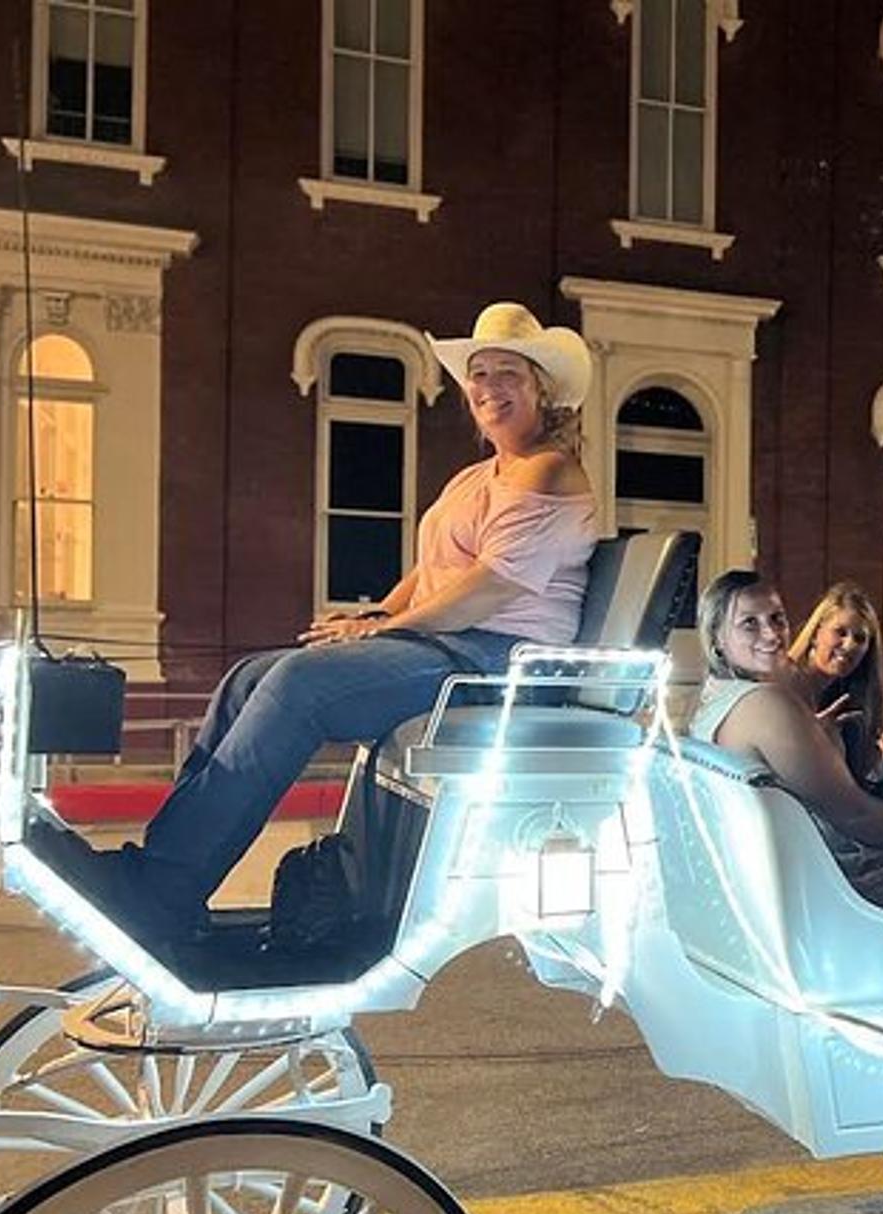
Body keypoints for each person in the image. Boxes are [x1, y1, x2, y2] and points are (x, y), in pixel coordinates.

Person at [32, 302, 601, 945]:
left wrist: (387, 631)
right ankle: (162, 879)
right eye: (480, 374)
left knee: (297, 686)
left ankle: (161, 891)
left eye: (509, 374)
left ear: (543, 391)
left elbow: (489, 588)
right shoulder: (477, 477)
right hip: (451, 644)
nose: (490, 388)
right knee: (252, 677)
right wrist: (378, 614)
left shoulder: (549, 470)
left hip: (497, 661)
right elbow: (434, 570)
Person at [690, 571, 883, 938]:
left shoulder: (719, 698)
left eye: (777, 618)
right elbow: (854, 813)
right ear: (716, 637)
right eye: (749, 623)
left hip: (784, 865)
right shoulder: (767, 701)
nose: (772, 634)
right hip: (825, 871)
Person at [788, 581, 883, 819]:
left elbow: (860, 781)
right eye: (840, 632)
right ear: (815, 635)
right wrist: (810, 741)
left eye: (860, 638)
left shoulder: (854, 700)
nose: (849, 645)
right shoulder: (786, 687)